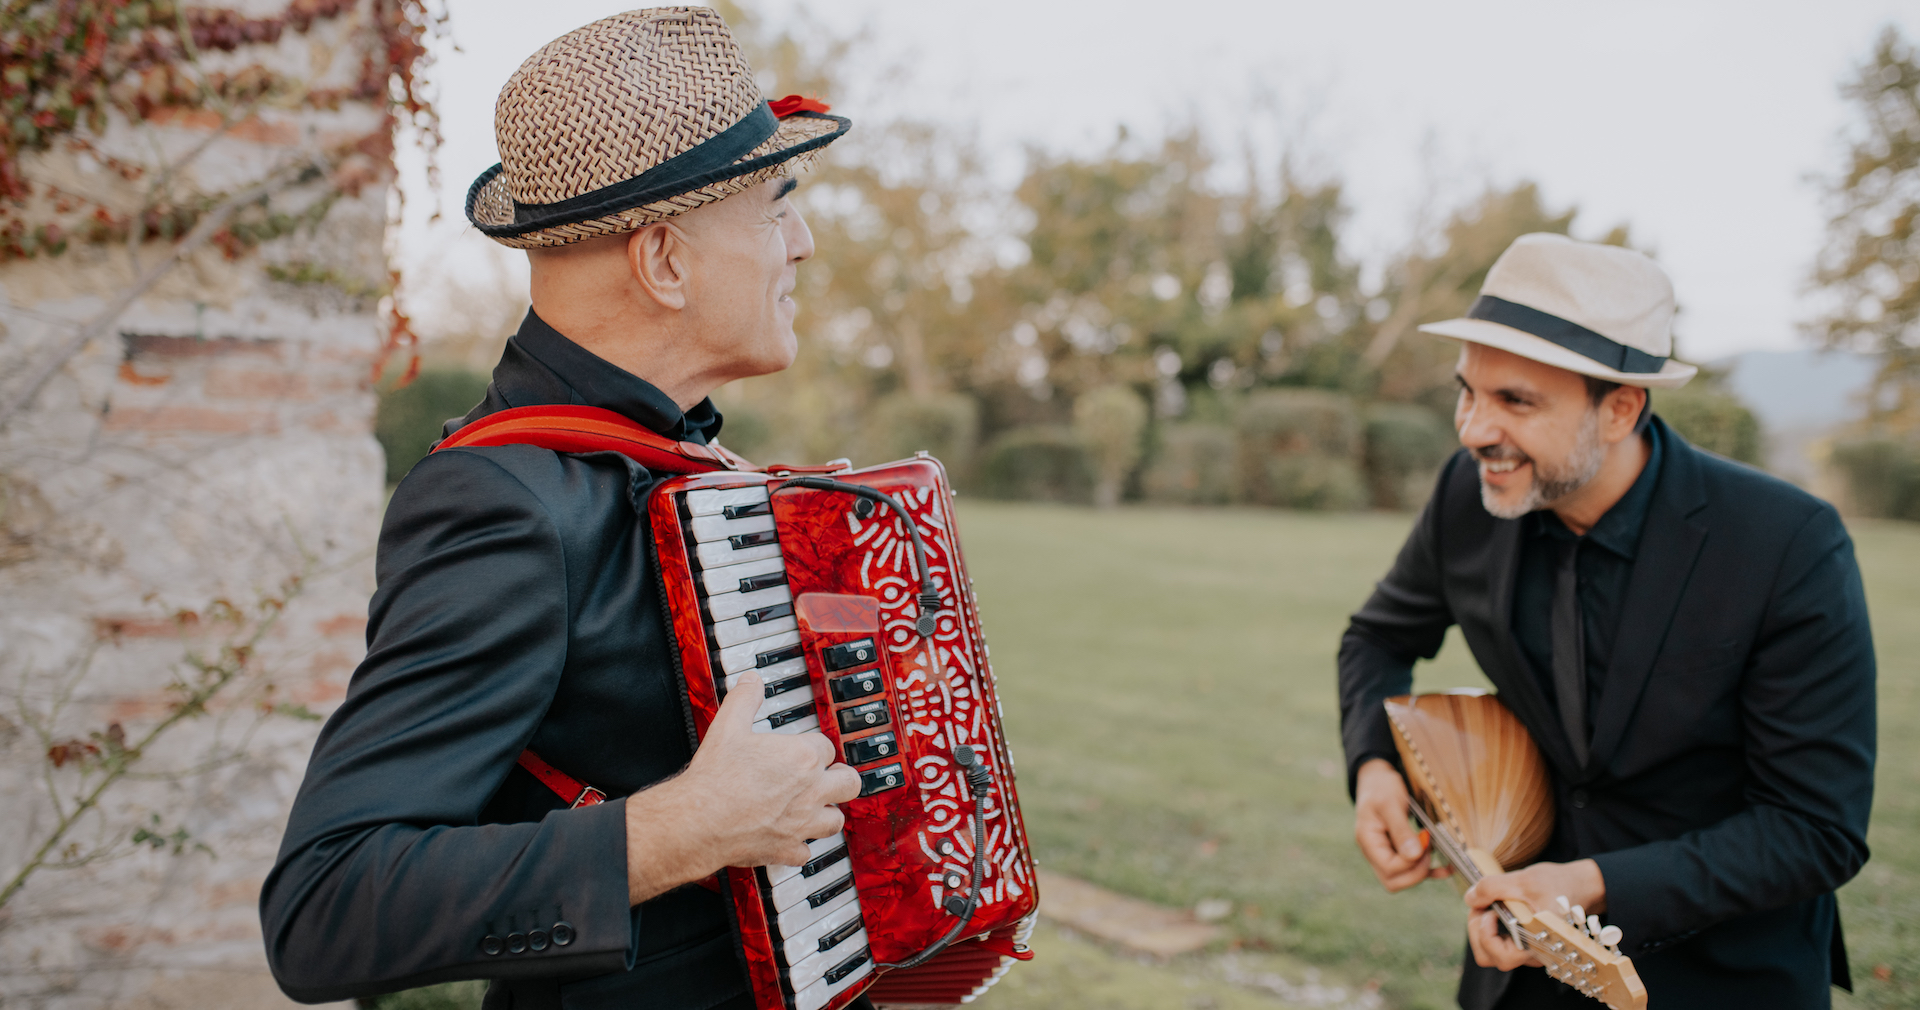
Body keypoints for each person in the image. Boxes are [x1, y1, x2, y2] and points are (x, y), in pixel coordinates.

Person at [260, 10, 866, 1008]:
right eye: (774, 207)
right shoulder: (500, 502)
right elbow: (325, 905)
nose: (801, 243)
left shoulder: (687, 459)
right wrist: (682, 829)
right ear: (665, 262)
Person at [1336, 233, 1876, 1008]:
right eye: (1469, 391)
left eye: (1515, 401)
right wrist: (1373, 768)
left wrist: (1592, 884)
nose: (1473, 429)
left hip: (1724, 978)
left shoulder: (1787, 544)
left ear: (1620, 408)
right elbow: (1379, 638)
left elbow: (1814, 827)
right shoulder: (1470, 493)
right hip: (1515, 975)